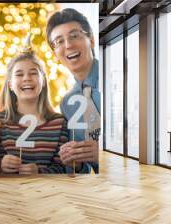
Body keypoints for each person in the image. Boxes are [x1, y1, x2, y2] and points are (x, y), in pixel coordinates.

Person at [0, 51, 91, 174]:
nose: (26, 78)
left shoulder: (59, 123)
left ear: (43, 81)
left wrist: (40, 172)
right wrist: (2, 166)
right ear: (10, 84)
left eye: (33, 73)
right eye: (19, 74)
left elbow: (61, 168)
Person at [46, 8, 100, 173]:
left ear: (91, 39)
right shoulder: (67, 103)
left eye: (74, 36)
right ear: (55, 53)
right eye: (59, 41)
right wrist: (75, 161)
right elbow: (84, 169)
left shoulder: (117, 82)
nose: (68, 45)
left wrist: (102, 154)